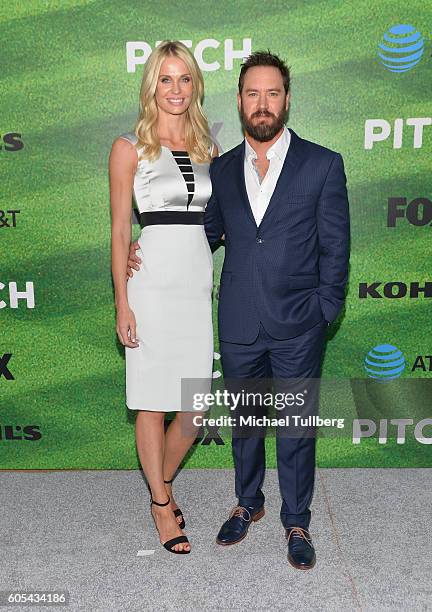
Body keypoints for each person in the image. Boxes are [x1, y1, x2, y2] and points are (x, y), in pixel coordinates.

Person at [128, 50, 350, 569]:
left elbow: (335, 248)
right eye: (253, 93)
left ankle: (297, 520)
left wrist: (325, 310)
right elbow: (198, 234)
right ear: (241, 100)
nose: (263, 103)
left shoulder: (323, 163)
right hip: (240, 322)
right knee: (246, 424)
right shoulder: (220, 169)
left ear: (287, 100)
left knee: (296, 428)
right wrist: (145, 242)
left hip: (300, 324)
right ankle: (248, 504)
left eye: (273, 93)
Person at [109, 40, 217, 555]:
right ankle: (160, 505)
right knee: (152, 400)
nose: (176, 89)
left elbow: (219, 218)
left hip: (196, 283)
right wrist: (122, 304)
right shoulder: (129, 146)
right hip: (149, 284)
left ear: (195, 85)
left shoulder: (207, 146)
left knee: (194, 407)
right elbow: (117, 231)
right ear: (152, 85)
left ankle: (162, 482)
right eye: (166, 79)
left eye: (185, 79)